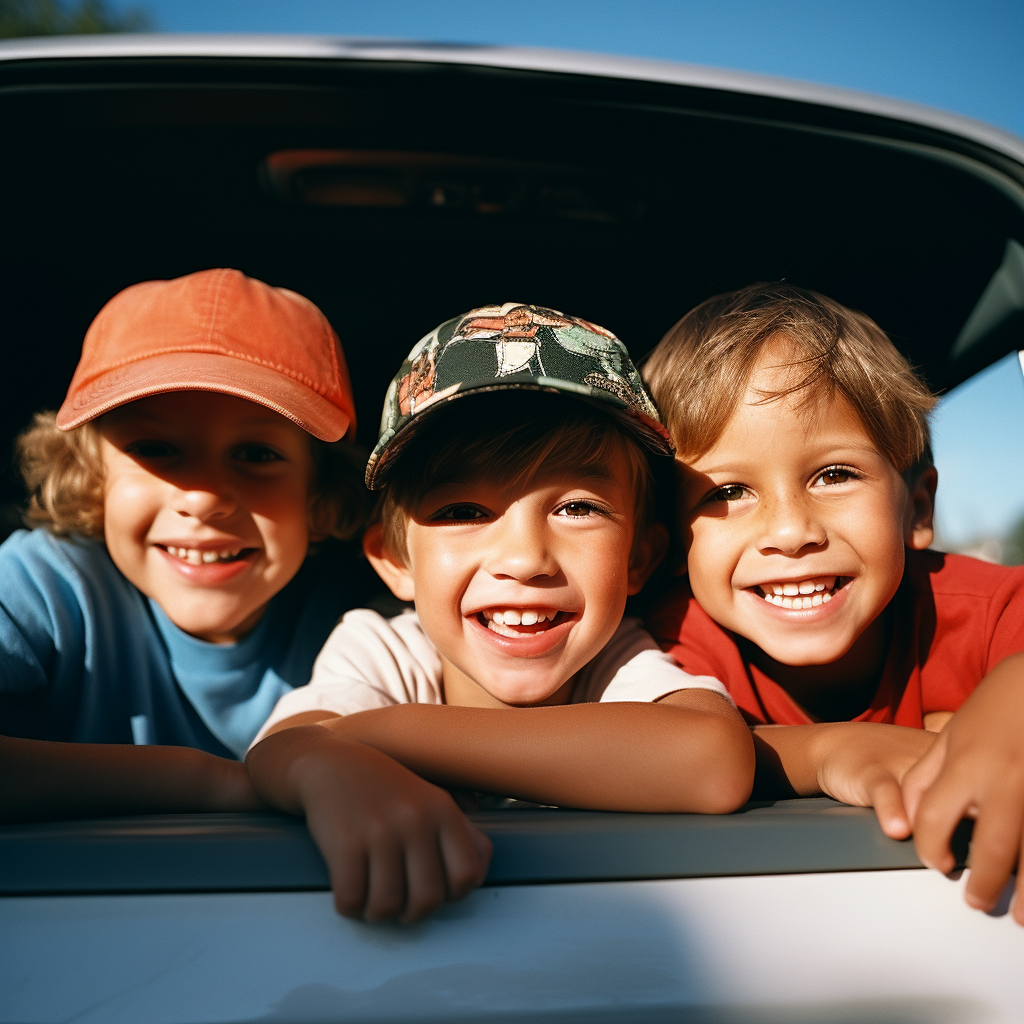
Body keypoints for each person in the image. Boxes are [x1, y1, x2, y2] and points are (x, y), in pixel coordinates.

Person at [247, 302, 755, 924]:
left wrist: (380, 737)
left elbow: (709, 760)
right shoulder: (385, 647)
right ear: (394, 562)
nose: (524, 559)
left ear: (638, 560)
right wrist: (329, 767)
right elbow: (283, 750)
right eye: (463, 511)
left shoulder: (615, 653)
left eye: (577, 508)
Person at [643, 282, 1024, 923]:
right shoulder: (673, 643)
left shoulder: (977, 609)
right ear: (671, 541)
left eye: (834, 474)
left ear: (919, 508)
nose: (792, 532)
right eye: (727, 491)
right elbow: (649, 755)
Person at [0, 268, 371, 821]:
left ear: (321, 496)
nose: (203, 498)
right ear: (91, 478)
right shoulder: (44, 587)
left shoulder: (364, 622)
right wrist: (211, 781)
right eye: (156, 448)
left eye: (257, 454)